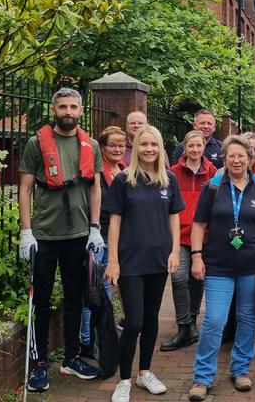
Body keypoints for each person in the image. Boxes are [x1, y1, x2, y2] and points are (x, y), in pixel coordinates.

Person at [18, 88, 104, 391]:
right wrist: (26, 232)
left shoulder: (91, 145)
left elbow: (94, 188)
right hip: (44, 235)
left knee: (74, 298)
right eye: (63, 107)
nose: (68, 112)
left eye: (73, 107)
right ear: (54, 109)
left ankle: (70, 357)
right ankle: (39, 363)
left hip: (79, 234)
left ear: (81, 110)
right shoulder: (35, 144)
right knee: (40, 301)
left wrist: (95, 227)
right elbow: (25, 188)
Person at [188, 136, 255, 401]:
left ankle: (240, 370)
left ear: (251, 158)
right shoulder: (213, 187)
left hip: (254, 267)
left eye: (242, 155)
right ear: (225, 158)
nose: (237, 160)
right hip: (218, 265)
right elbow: (198, 225)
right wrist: (197, 256)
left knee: (248, 319)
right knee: (214, 320)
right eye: (232, 156)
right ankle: (202, 376)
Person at [105, 125, 184, 402]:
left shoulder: (169, 180)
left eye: (154, 144)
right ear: (135, 147)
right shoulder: (123, 180)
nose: (149, 149)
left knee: (151, 320)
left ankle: (145, 372)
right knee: (134, 321)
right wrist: (113, 261)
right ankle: (124, 380)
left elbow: (174, 217)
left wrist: (175, 251)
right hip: (130, 261)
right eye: (144, 144)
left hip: (158, 260)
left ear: (160, 148)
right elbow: (114, 223)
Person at [160, 130, 218, 352]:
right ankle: (184, 326)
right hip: (179, 235)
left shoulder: (213, 173)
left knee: (198, 279)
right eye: (190, 146)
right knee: (178, 277)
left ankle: (192, 323)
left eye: (199, 146)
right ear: (184, 147)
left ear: (204, 147)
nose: (194, 150)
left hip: (204, 236)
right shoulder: (172, 173)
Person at [79, 125, 127, 357]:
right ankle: (88, 340)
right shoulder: (98, 172)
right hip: (100, 237)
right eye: (112, 145)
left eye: (122, 145)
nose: (118, 149)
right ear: (102, 147)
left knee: (107, 289)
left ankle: (100, 338)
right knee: (95, 290)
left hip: (118, 239)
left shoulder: (124, 170)